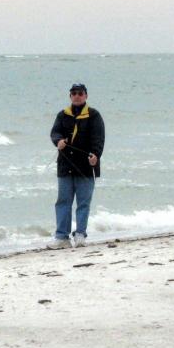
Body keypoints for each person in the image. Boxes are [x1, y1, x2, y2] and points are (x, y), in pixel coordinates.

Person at [47, 82, 105, 249]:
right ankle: (62, 237)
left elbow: (99, 138)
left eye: (80, 93)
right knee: (63, 202)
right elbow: (55, 132)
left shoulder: (94, 115)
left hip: (86, 166)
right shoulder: (62, 115)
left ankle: (80, 235)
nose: (77, 96)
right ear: (70, 96)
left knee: (83, 203)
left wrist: (96, 155)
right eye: (74, 93)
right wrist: (58, 141)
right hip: (65, 166)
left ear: (86, 95)